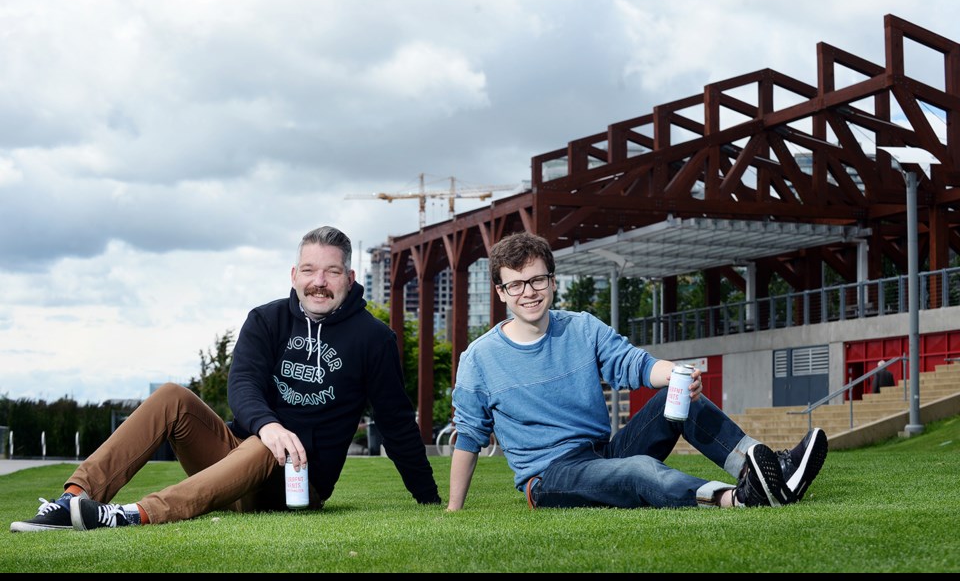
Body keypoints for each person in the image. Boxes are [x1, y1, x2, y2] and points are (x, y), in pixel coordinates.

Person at [11, 226, 441, 533]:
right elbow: (243, 386)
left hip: (294, 484)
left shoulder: (374, 339)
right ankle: (73, 500)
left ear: (350, 278)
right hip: (231, 459)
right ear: (294, 275)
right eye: (309, 270)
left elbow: (396, 421)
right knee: (172, 395)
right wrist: (269, 424)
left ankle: (134, 515)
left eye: (331, 272)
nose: (319, 282)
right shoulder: (267, 319)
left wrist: (429, 499)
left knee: (268, 445)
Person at [447, 231, 828, 512]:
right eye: (515, 285)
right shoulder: (479, 359)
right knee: (639, 470)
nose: (528, 292)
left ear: (552, 281)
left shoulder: (580, 327)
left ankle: (770, 470)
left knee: (677, 400)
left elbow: (632, 363)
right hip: (549, 477)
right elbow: (469, 436)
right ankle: (738, 499)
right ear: (500, 291)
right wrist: (453, 508)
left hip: (603, 453)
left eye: (537, 280)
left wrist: (677, 374)